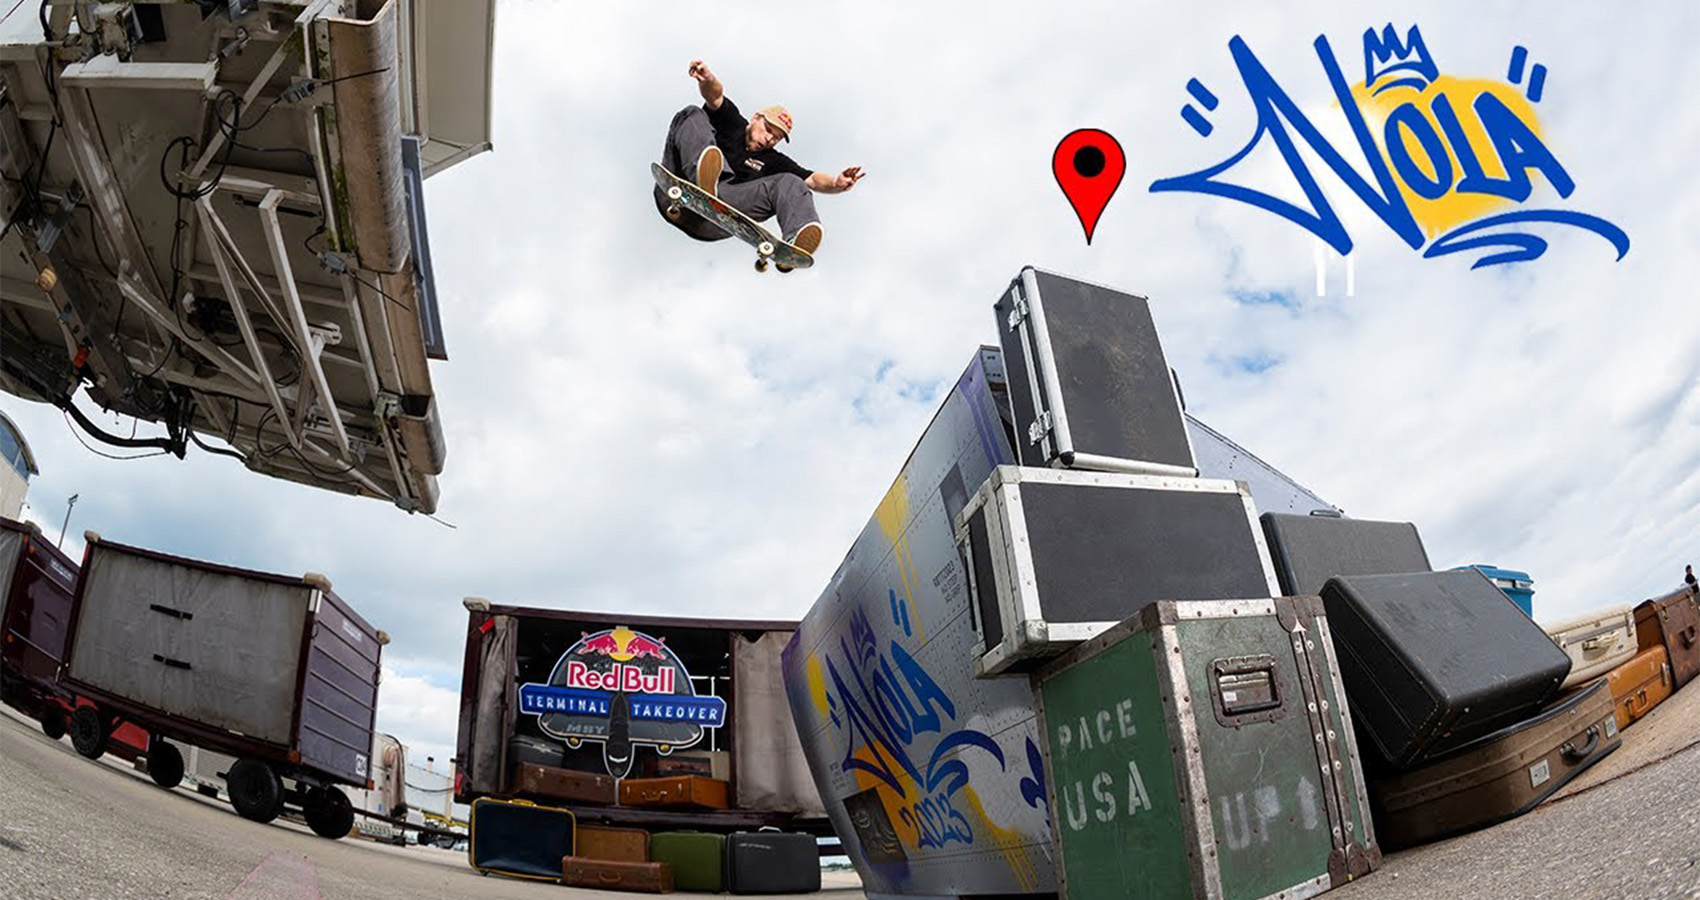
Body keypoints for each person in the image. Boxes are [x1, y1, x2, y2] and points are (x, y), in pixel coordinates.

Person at [655, 60, 864, 260]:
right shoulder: (731, 121)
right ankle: (702, 179)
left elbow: (812, 180)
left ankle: (795, 241)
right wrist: (707, 79)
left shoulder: (773, 160)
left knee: (791, 182)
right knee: (692, 113)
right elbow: (715, 96)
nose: (769, 139)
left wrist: (836, 184)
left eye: (776, 138)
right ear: (755, 118)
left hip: (715, 217)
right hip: (678, 185)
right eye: (768, 130)